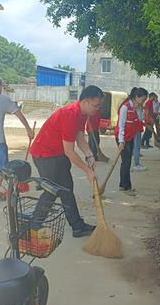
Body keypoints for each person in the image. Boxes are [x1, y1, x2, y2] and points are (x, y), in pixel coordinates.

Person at [28, 85, 104, 238]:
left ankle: (77, 226)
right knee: (52, 191)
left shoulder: (82, 114)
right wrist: (87, 171)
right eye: (96, 105)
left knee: (67, 189)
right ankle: (33, 226)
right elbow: (70, 151)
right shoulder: (70, 114)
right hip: (45, 154)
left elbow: (79, 136)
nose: (97, 109)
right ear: (86, 101)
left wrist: (89, 154)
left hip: (58, 153)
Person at [115, 87, 148, 195]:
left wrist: (139, 108)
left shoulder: (136, 108)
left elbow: (140, 119)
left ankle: (123, 185)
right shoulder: (125, 107)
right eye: (142, 99)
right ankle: (126, 187)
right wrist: (121, 141)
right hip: (122, 137)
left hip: (130, 137)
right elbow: (121, 125)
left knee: (127, 160)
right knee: (126, 161)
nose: (143, 102)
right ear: (136, 97)